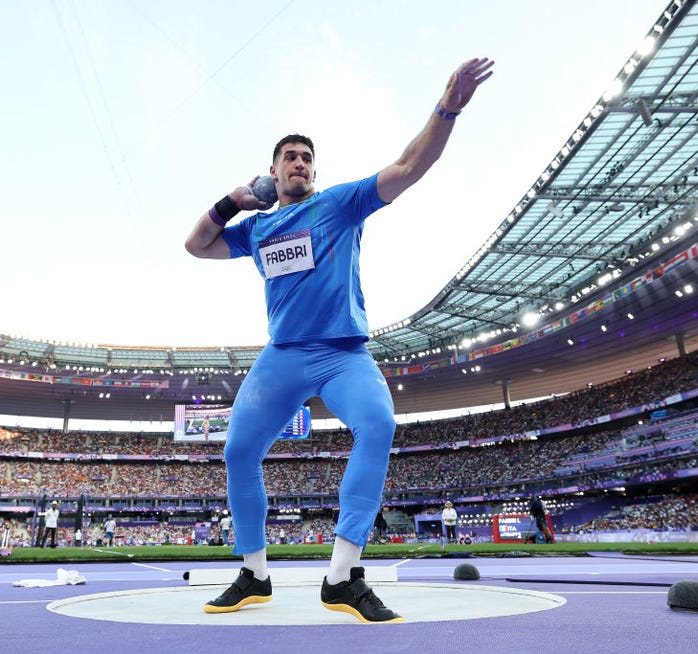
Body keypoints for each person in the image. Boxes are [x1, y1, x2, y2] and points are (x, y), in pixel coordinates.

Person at [185, 56, 494, 623]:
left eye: (306, 159)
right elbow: (197, 245)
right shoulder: (256, 230)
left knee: (377, 424)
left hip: (342, 353)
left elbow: (409, 165)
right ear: (272, 174)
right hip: (282, 358)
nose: (299, 164)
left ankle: (342, 575)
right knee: (237, 451)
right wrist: (232, 203)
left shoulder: (340, 204)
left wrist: (447, 108)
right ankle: (254, 575)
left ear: (313, 172)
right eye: (290, 158)